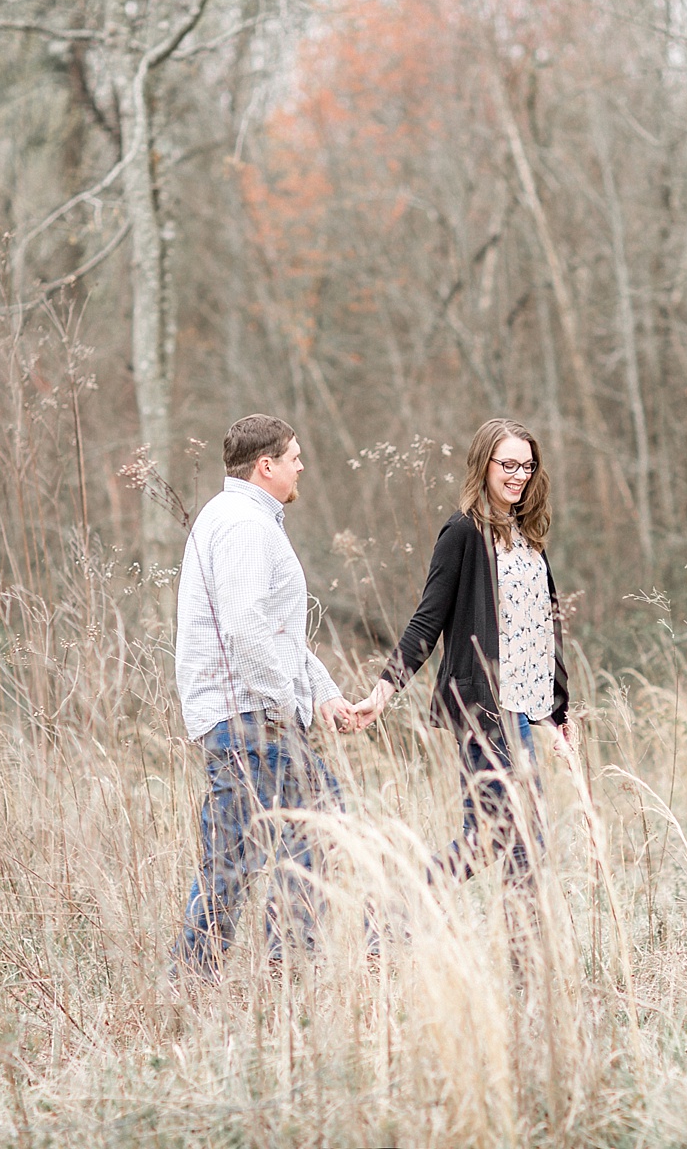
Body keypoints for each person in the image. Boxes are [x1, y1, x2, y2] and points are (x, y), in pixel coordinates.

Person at [172, 414, 355, 975]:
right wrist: (285, 707)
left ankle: (204, 976)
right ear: (265, 465)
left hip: (249, 713)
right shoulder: (245, 525)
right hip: (251, 716)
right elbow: (246, 627)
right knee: (313, 826)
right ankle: (284, 963)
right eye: (294, 456)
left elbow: (278, 635)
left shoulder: (239, 518)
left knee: (237, 857)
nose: (302, 465)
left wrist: (322, 695)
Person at [352, 417, 572, 882]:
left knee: (513, 843)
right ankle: (394, 915)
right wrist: (384, 690)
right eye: (508, 464)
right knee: (506, 836)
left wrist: (557, 717)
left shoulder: (529, 539)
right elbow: (427, 620)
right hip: (484, 711)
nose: (518, 475)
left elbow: (540, 632)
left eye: (528, 467)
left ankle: (522, 953)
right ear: (484, 464)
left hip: (523, 713)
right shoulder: (463, 533)